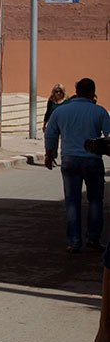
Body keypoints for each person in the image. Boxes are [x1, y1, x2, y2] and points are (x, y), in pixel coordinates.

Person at [43, 77, 110, 253]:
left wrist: (49, 155)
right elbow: (109, 136)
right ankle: (93, 239)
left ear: (76, 91)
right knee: (95, 201)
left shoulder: (62, 111)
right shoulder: (99, 112)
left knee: (72, 202)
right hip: (93, 160)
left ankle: (74, 241)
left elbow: (50, 133)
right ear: (92, 92)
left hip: (70, 160)